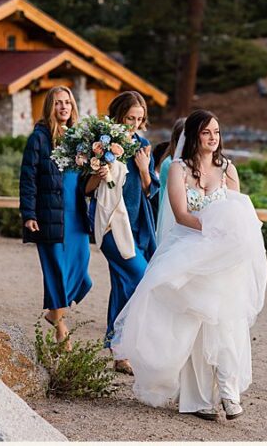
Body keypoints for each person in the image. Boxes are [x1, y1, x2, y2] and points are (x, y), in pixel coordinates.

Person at [111, 109, 267, 421]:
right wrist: (211, 229)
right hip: (189, 249)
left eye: (217, 132)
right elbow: (182, 214)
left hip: (222, 257)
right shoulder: (178, 169)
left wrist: (226, 237)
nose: (213, 138)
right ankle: (198, 400)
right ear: (194, 135)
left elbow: (236, 215)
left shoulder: (228, 169)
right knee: (194, 327)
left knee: (225, 321)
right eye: (207, 132)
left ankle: (229, 392)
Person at [18, 86, 94, 350]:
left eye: (68, 103)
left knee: (81, 267)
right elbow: (27, 178)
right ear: (50, 107)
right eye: (58, 103)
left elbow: (85, 179)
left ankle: (54, 313)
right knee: (55, 269)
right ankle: (61, 328)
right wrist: (29, 214)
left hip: (75, 213)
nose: (64, 107)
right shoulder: (38, 138)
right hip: (49, 213)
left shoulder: (78, 139)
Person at [89, 91, 158, 374]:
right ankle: (126, 346)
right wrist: (99, 175)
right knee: (141, 279)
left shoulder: (143, 146)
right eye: (130, 118)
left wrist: (144, 169)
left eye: (139, 119)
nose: (135, 124)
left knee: (122, 284)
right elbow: (86, 188)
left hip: (138, 224)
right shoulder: (102, 143)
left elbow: (151, 191)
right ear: (119, 116)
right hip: (110, 224)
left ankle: (119, 351)